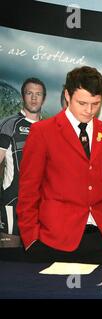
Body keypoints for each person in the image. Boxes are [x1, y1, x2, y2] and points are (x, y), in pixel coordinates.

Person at [16, 66, 102, 264]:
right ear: (67, 95)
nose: (89, 110)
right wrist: (31, 240)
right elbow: (28, 191)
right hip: (53, 242)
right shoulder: (42, 132)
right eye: (82, 103)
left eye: (95, 104)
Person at [0, 77, 46, 260]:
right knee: (7, 262)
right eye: (29, 93)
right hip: (12, 203)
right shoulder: (9, 124)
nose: (34, 98)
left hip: (42, 208)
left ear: (43, 98)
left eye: (38, 94)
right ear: (22, 96)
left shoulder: (49, 128)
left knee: (37, 265)